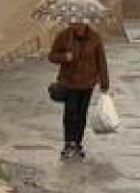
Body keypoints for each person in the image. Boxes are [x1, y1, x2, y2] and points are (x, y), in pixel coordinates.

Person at [47, 18, 110, 159]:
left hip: (87, 83)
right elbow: (51, 56)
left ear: (85, 23)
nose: (75, 26)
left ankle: (77, 143)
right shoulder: (64, 36)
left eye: (78, 23)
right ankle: (68, 143)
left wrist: (104, 84)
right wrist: (64, 56)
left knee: (81, 114)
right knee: (70, 113)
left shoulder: (95, 38)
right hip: (69, 82)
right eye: (73, 23)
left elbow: (101, 61)